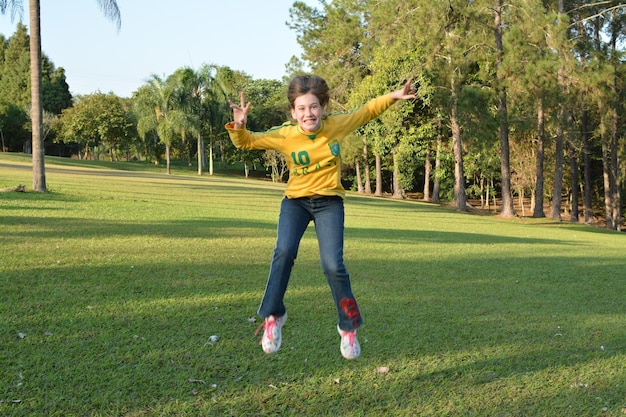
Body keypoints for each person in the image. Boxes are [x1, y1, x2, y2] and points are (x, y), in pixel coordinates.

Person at [226, 75, 416, 359]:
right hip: (296, 203)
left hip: (329, 203)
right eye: (301, 108)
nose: (308, 114)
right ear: (293, 112)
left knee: (333, 266)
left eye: (313, 107)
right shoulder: (285, 134)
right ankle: (273, 317)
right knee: (284, 252)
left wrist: (393, 96)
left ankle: (349, 327)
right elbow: (246, 143)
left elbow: (365, 111)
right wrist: (239, 125)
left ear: (322, 107)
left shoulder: (336, 126)